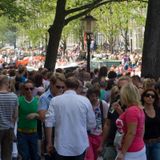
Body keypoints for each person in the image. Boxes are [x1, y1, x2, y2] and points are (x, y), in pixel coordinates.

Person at [45, 77, 96, 160]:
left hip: (61, 144)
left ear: (65, 86)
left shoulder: (55, 100)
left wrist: (49, 142)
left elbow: (48, 122)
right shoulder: (85, 101)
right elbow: (92, 123)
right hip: (79, 144)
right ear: (77, 87)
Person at [98, 76, 130, 160]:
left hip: (127, 146)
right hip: (112, 143)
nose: (121, 90)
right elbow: (107, 124)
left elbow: (133, 127)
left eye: (124, 88)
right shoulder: (115, 101)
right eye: (119, 87)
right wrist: (101, 144)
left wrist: (121, 113)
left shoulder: (134, 104)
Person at [38, 73, 66, 160]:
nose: (61, 89)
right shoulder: (44, 98)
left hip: (64, 131)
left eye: (63, 87)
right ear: (52, 85)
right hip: (51, 132)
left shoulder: (65, 96)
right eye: (58, 87)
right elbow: (43, 117)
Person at [115, 83, 146, 160]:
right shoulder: (138, 108)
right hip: (137, 147)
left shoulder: (132, 110)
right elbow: (140, 128)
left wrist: (122, 152)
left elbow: (131, 133)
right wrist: (121, 113)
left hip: (131, 152)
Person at [17, 80, 40, 160]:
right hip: (21, 133)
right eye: (27, 89)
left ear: (34, 89)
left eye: (31, 88)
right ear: (23, 90)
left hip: (33, 133)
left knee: (35, 155)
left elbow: (44, 116)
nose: (29, 90)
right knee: (25, 156)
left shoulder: (38, 101)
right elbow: (14, 115)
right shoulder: (19, 100)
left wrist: (35, 114)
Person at [85, 85, 109, 160]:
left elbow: (106, 121)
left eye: (96, 96)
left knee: (96, 156)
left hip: (99, 134)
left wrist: (103, 139)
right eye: (92, 96)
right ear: (88, 96)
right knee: (90, 157)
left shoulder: (103, 104)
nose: (94, 98)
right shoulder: (86, 104)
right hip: (87, 134)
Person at [0, 75, 18, 160]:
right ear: (7, 84)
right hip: (9, 129)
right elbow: (15, 116)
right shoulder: (14, 97)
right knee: (7, 155)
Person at [141, 88, 160, 160]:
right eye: (147, 95)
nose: (150, 97)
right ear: (143, 97)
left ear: (155, 99)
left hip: (157, 143)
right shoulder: (140, 111)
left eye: (153, 96)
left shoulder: (158, 110)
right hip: (144, 143)